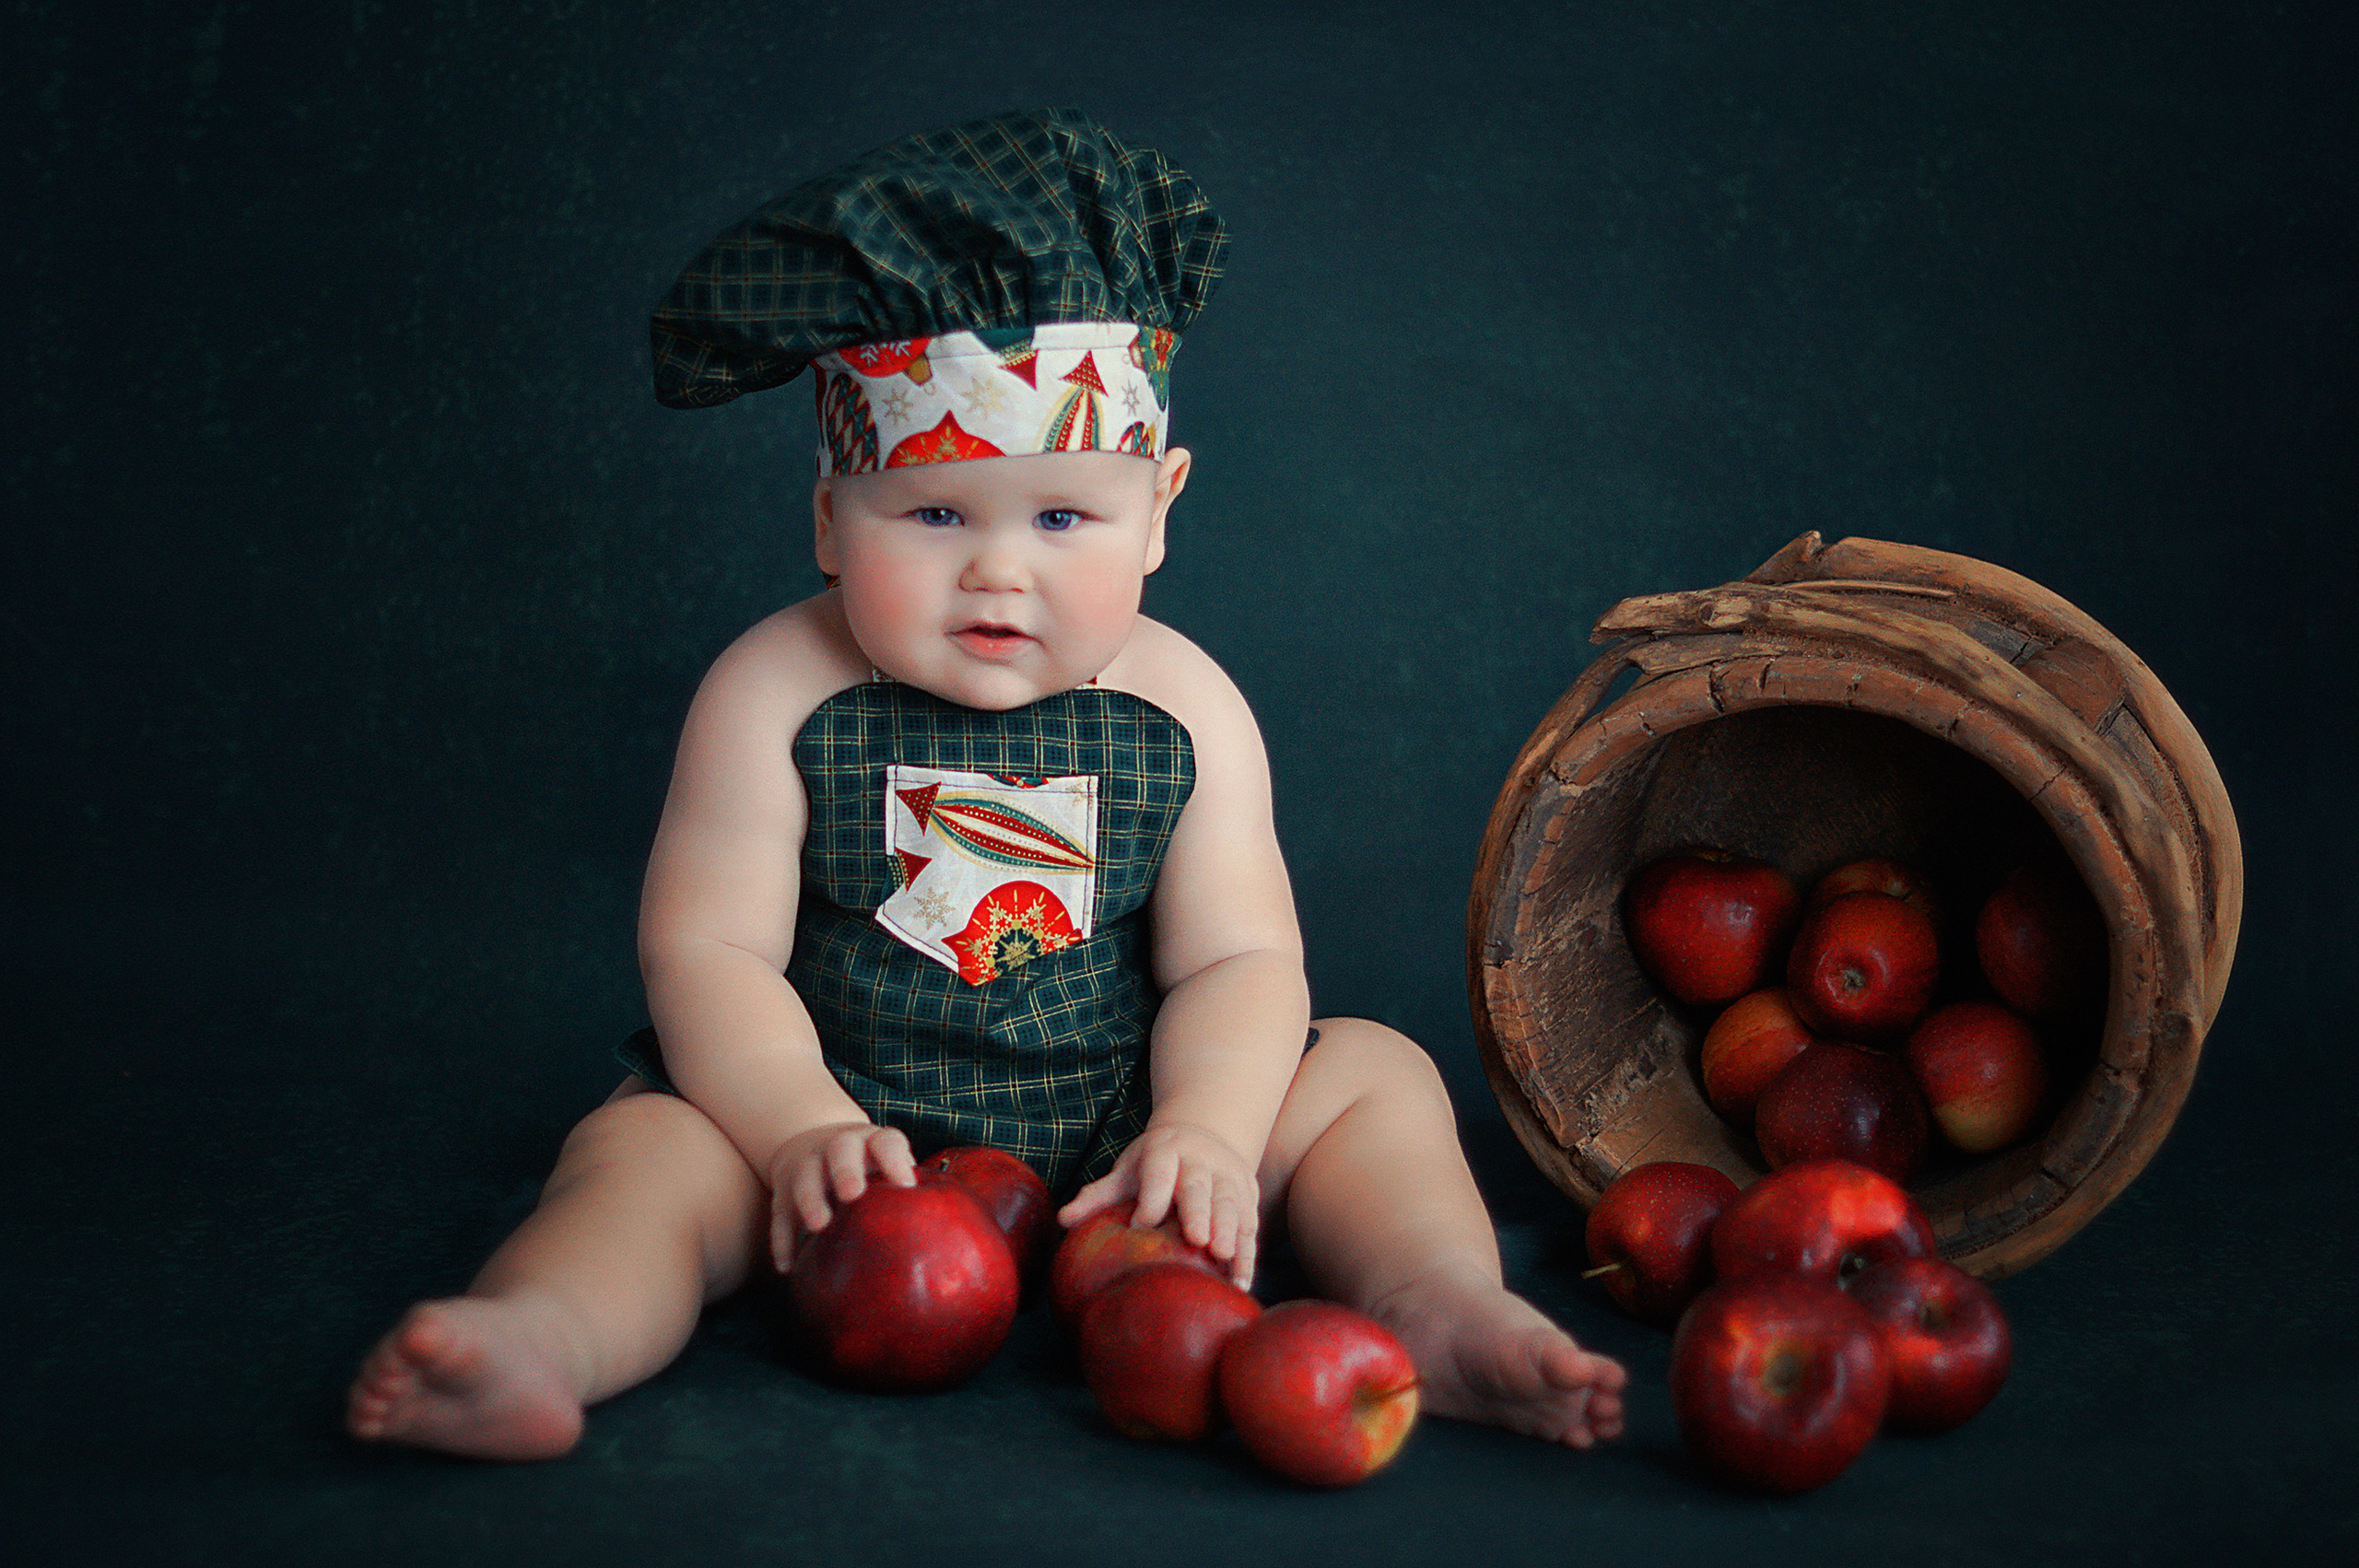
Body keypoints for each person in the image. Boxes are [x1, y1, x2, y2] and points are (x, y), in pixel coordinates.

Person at [346, 110, 1625, 1462]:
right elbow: (707, 948)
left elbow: (1242, 956)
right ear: (832, 516)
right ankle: (540, 1335)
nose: (1000, 570)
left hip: (1123, 1132)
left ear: (1163, 508)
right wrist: (793, 1131)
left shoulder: (1184, 703)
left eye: (1065, 517)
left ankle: (1435, 1307)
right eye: (938, 514)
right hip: (840, 1136)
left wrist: (1205, 1124)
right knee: (642, 1153)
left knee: (1376, 1072)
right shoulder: (772, 691)